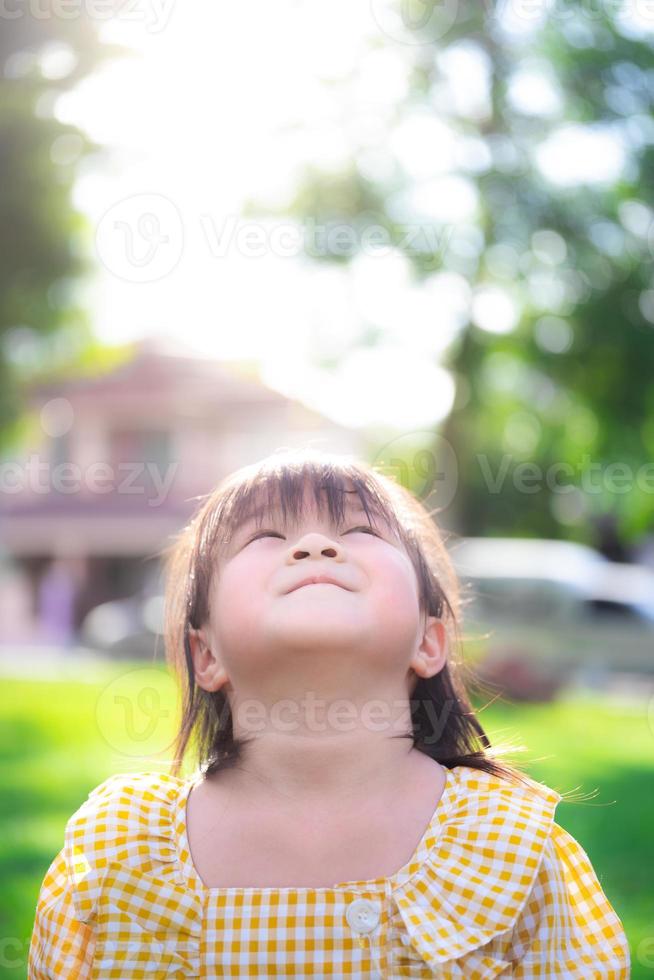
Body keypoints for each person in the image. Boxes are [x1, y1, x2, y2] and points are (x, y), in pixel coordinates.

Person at [28, 448, 630, 977]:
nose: (315, 545)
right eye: (265, 537)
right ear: (206, 655)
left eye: (360, 531)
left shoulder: (510, 853)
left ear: (430, 641)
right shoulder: (116, 857)